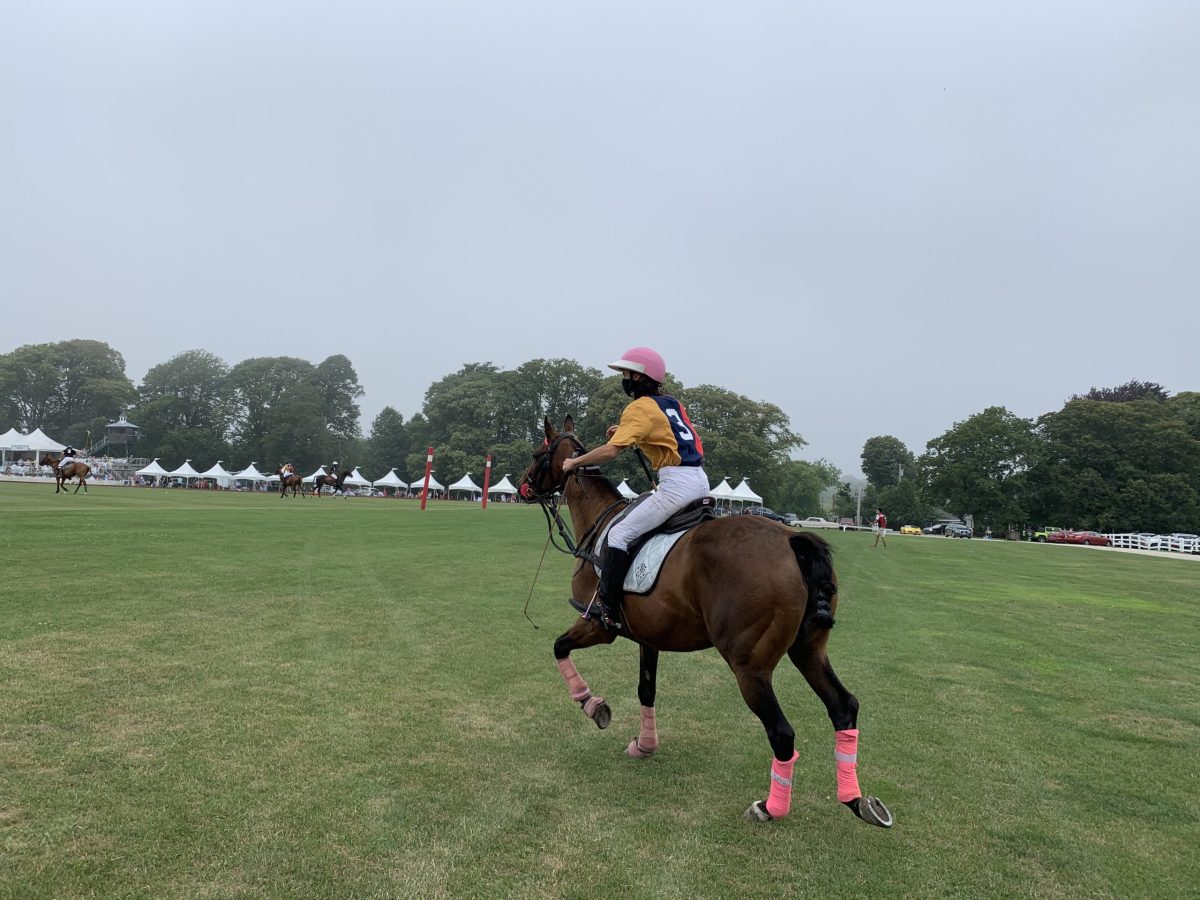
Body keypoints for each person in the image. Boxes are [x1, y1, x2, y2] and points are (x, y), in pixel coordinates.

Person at [561, 346, 709, 628]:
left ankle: (609, 609)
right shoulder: (672, 403)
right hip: (700, 479)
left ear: (640, 378)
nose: (625, 379)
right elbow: (667, 435)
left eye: (628, 373)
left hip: (677, 484)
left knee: (618, 534)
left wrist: (574, 462)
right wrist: (624, 431)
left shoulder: (639, 407)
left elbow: (610, 453)